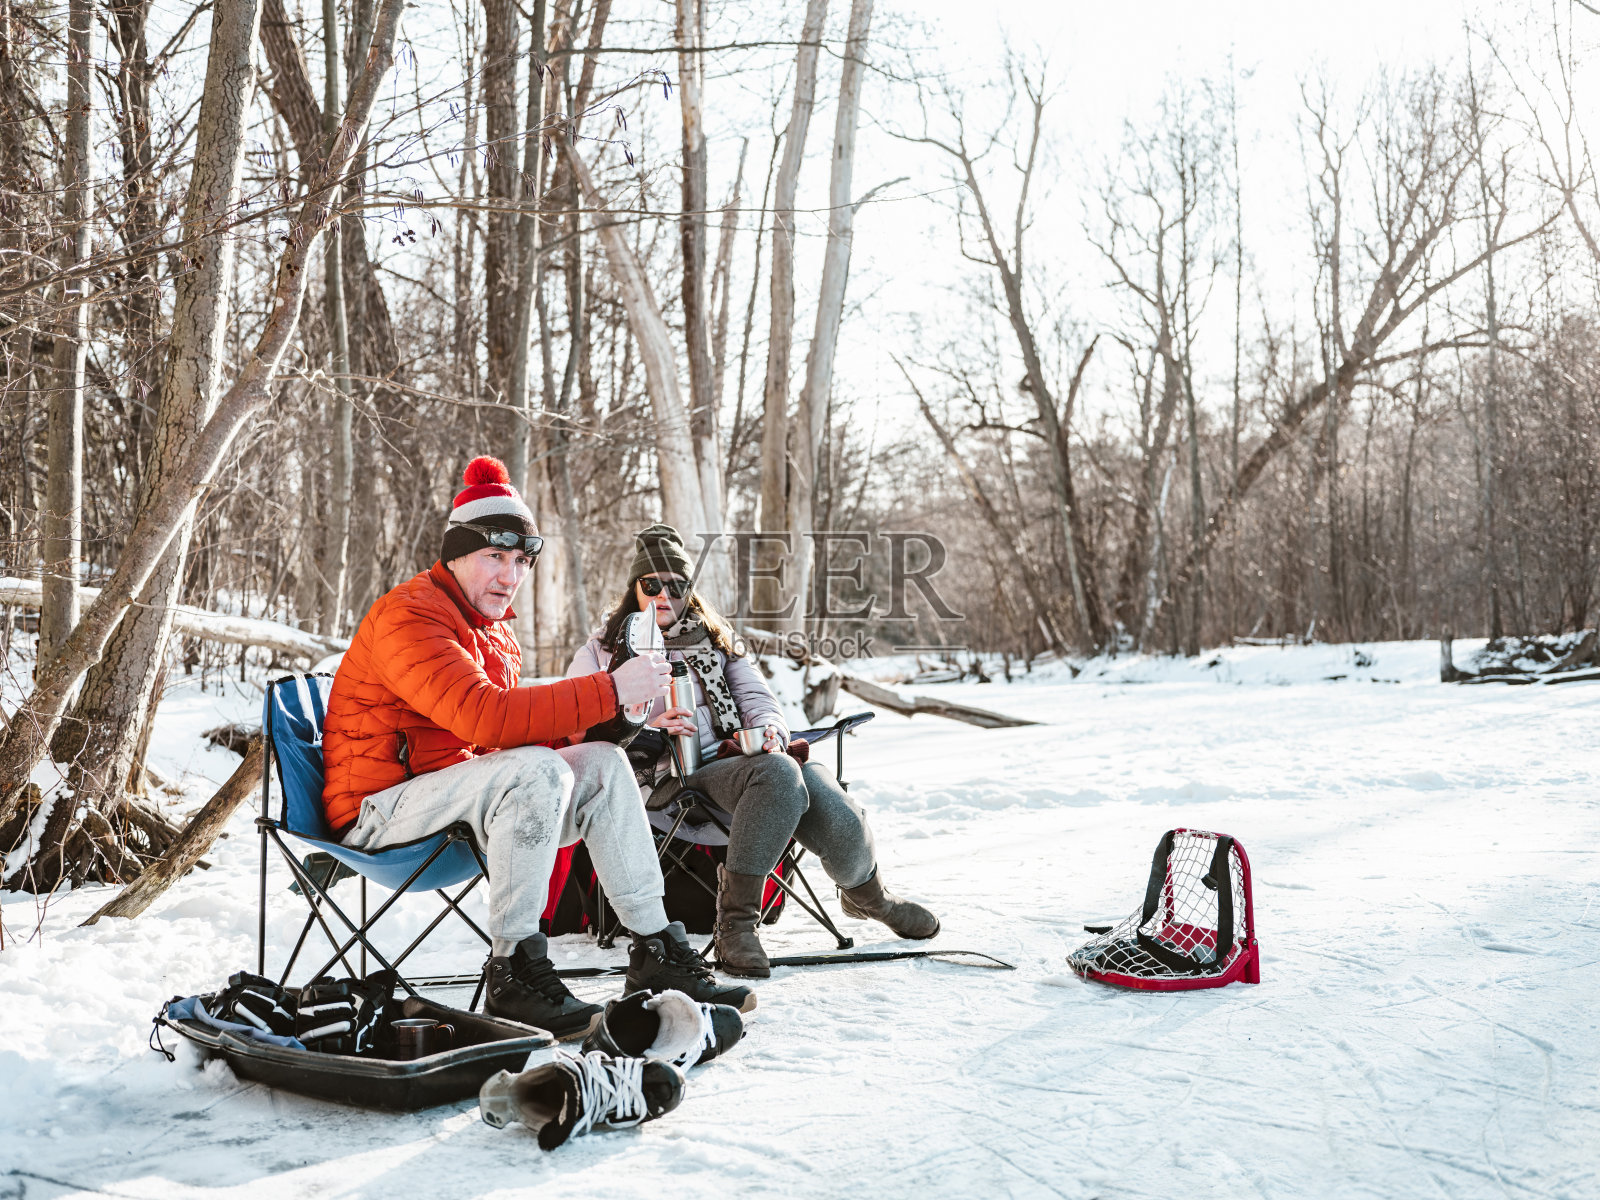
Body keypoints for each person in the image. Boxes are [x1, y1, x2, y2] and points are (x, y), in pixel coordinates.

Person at [320, 459, 753, 1038]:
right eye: (494, 556)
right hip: (379, 811)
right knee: (533, 772)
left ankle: (657, 951)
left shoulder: (490, 629)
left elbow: (509, 735)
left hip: (454, 795)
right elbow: (485, 717)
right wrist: (607, 688)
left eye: (521, 561)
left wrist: (609, 722)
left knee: (600, 765)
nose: (509, 575)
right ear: (455, 555)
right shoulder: (410, 615)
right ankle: (515, 969)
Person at [567, 523, 939, 979]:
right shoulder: (604, 650)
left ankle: (869, 897)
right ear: (634, 588)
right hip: (671, 778)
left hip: (742, 758)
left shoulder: (720, 641)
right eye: (652, 584)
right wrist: (644, 725)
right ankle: (736, 925)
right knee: (779, 776)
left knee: (828, 804)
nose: (665, 595)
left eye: (677, 585)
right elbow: (579, 725)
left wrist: (767, 734)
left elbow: (761, 702)